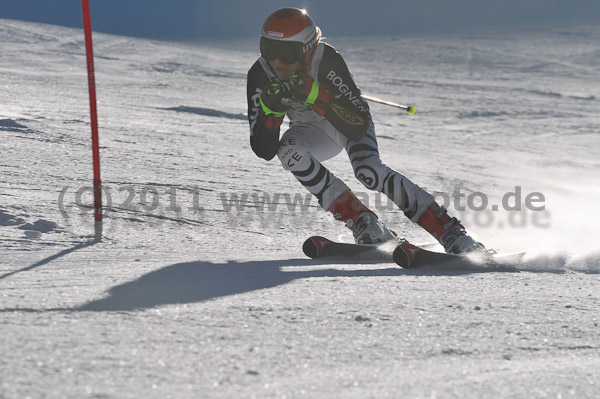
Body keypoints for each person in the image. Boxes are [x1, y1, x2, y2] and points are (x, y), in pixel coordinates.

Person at [246, 7, 485, 254]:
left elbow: (358, 122)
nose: (276, 62)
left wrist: (318, 96)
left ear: (307, 49)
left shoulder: (325, 59)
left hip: (347, 120)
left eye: (286, 53)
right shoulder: (260, 73)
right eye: (269, 49)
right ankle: (364, 222)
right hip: (311, 129)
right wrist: (270, 112)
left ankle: (449, 230)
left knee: (368, 170)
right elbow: (263, 150)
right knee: (289, 151)